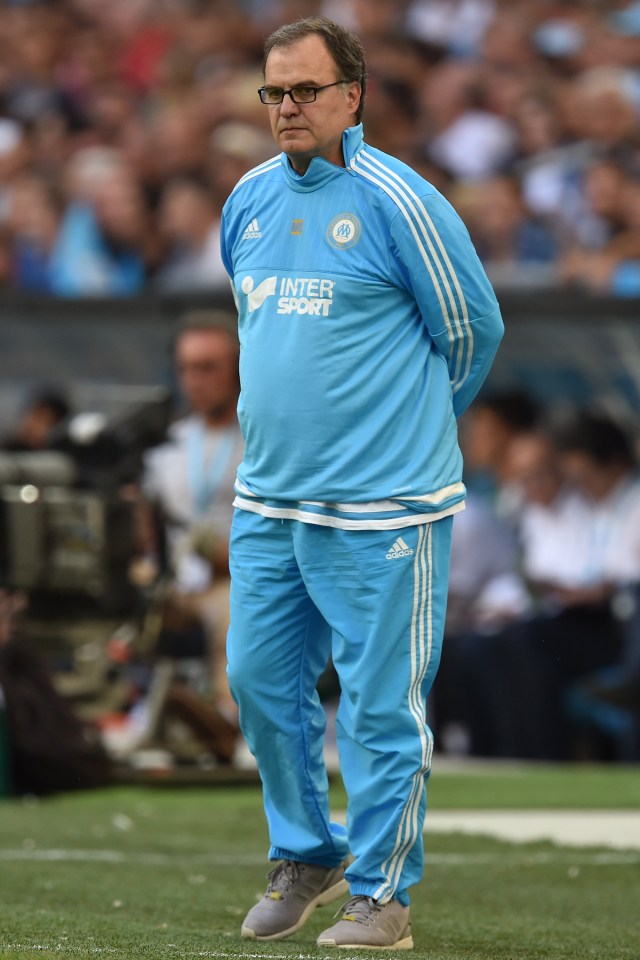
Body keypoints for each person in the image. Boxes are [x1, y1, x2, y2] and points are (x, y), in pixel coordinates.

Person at [220, 16, 503, 951]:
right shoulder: (248, 200)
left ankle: (383, 896)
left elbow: (472, 332)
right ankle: (307, 852)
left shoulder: (400, 199)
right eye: (275, 92)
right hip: (269, 498)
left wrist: (405, 431)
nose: (288, 107)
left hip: (384, 505)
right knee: (258, 681)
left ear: (353, 95)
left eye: (305, 90)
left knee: (381, 707)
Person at [140, 311, 243, 735]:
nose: (194, 380)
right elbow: (147, 530)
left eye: (207, 367)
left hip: (235, 580)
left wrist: (231, 558)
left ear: (237, 368)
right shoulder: (164, 448)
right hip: (174, 584)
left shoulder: (262, 442)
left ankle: (225, 717)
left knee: (238, 611)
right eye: (185, 369)